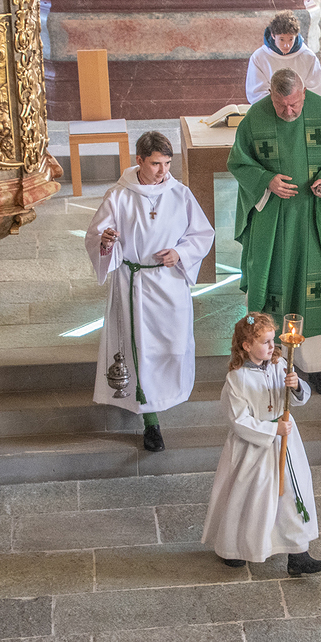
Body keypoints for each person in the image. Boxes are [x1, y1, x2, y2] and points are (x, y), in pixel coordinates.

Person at [85, 130, 216, 452]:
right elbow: (97, 236)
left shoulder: (180, 193)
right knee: (139, 349)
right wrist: (106, 242)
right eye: (156, 164)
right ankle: (150, 420)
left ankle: (168, 394)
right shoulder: (119, 195)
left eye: (168, 163)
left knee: (172, 345)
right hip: (133, 283)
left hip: (169, 283)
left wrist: (180, 253)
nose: (163, 171)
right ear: (140, 160)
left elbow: (202, 233)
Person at [229, 69, 321, 395]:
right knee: (272, 286)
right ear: (270, 95)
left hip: (316, 218)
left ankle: (313, 368)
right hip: (272, 221)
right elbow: (239, 162)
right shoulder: (255, 118)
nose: (288, 111)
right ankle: (266, 364)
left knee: (314, 291)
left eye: (295, 104)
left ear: (304, 92)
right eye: (281, 105)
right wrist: (266, 180)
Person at [201, 313, 321, 575]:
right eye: (266, 342)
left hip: (286, 443)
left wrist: (296, 385)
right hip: (254, 449)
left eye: (273, 340)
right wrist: (272, 429)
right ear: (247, 346)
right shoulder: (237, 379)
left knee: (292, 492)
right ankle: (235, 548)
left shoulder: (279, 365)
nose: (272, 346)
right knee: (252, 498)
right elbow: (238, 420)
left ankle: (298, 554)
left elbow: (298, 398)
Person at [245, 10, 321, 104]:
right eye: (282, 40)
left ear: (296, 36)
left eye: (290, 39)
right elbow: (257, 93)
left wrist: (295, 105)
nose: (286, 45)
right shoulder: (259, 57)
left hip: (301, 109)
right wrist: (280, 104)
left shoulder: (308, 57)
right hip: (271, 108)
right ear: (273, 35)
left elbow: (315, 91)